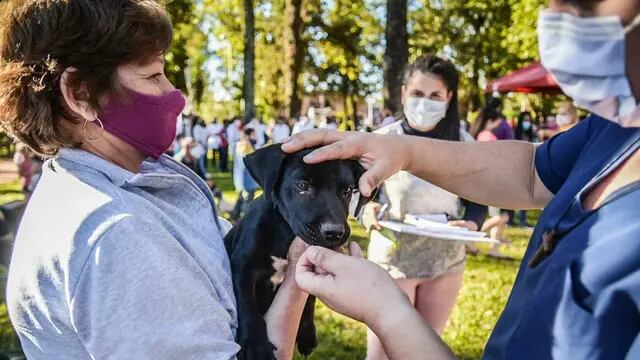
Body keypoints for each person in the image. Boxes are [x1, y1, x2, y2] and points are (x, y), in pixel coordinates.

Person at [283, 0, 640, 358]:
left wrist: (386, 312)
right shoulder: (618, 125)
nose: (556, 10)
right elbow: (532, 172)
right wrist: (405, 151)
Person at [0, 1, 307, 358]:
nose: (175, 95)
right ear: (80, 93)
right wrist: (298, 275)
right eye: (153, 76)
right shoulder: (118, 235)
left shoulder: (112, 181)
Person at [360, 55, 486, 359]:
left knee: (425, 350)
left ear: (449, 99)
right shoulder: (381, 141)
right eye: (417, 94)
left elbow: (478, 198)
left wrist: (474, 223)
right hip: (393, 258)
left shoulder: (464, 143)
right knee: (382, 354)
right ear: (403, 93)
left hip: (445, 262)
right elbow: (362, 192)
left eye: (435, 96)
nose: (424, 102)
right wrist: (367, 209)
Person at [513, 111, 538, 227]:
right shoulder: (516, 133)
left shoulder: (531, 133)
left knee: (525, 194)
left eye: (529, 120)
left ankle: (522, 219)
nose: (527, 122)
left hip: (529, 166)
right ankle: (510, 218)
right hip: (517, 166)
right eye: (525, 120)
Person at [230, 128, 260, 220]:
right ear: (247, 136)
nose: (256, 137)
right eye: (253, 135)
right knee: (247, 200)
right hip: (246, 180)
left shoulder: (243, 145)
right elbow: (246, 164)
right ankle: (243, 219)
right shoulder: (245, 146)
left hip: (245, 180)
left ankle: (234, 216)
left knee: (241, 198)